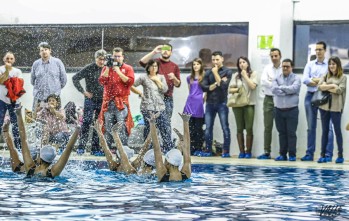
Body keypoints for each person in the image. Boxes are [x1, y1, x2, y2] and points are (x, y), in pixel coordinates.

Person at [15, 105, 80, 178]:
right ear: (51, 162)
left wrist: (19, 114)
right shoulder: (53, 172)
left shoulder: (30, 168)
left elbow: (23, 139)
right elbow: (69, 149)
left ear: (39, 159)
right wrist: (77, 129)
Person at [132, 59, 174, 153]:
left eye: (156, 66)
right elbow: (132, 85)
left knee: (165, 128)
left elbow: (165, 90)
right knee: (148, 130)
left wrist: (157, 81)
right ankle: (148, 151)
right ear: (148, 67)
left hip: (160, 107)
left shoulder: (161, 77)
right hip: (147, 107)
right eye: (152, 66)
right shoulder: (143, 77)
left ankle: (168, 150)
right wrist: (140, 93)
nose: (154, 68)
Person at [301, 41, 334, 162]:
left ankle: (327, 154)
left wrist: (315, 80)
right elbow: (304, 80)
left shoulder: (330, 65)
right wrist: (320, 80)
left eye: (320, 49)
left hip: (325, 96)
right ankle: (309, 154)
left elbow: (330, 81)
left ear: (325, 50)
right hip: (310, 96)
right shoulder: (309, 64)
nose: (318, 52)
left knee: (328, 127)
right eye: (317, 50)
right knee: (311, 127)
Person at [98, 47, 134, 149]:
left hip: (121, 103)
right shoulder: (106, 68)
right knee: (108, 126)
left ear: (123, 57)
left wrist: (118, 71)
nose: (117, 58)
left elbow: (130, 82)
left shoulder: (128, 68)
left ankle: (124, 149)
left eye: (119, 56)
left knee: (122, 125)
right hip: (108, 102)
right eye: (115, 56)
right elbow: (102, 81)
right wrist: (108, 68)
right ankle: (107, 149)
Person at [72, 49, 106, 156]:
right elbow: (75, 78)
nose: (101, 62)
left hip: (102, 100)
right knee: (86, 121)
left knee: (98, 124)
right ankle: (81, 146)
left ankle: (95, 148)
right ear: (96, 58)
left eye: (103, 59)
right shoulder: (89, 68)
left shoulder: (107, 69)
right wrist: (83, 92)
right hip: (90, 100)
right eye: (100, 59)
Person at [199, 51, 233, 157]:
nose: (215, 62)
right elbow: (203, 87)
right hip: (209, 103)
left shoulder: (227, 71)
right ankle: (208, 150)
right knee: (208, 127)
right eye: (213, 60)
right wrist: (216, 83)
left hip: (222, 103)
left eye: (217, 59)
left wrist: (215, 73)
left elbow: (223, 86)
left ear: (222, 59)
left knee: (225, 127)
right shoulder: (208, 72)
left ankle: (226, 151)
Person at [139, 44, 181, 124]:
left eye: (168, 50)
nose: (165, 51)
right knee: (150, 124)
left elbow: (178, 84)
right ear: (161, 51)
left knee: (166, 123)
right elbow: (142, 62)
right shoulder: (154, 63)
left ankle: (166, 137)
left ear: (171, 53)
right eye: (164, 49)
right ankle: (151, 137)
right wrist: (154, 52)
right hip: (152, 98)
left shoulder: (174, 66)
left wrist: (174, 78)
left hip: (167, 98)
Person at [317, 56, 347, 163]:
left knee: (337, 131)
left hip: (336, 108)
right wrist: (333, 86)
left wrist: (328, 86)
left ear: (338, 65)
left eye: (333, 64)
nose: (331, 66)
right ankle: (323, 155)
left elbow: (339, 90)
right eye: (330, 64)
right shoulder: (325, 76)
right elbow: (319, 87)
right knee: (324, 131)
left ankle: (340, 155)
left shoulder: (343, 77)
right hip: (324, 107)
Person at [272, 59, 301, 161]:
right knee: (282, 133)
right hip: (279, 110)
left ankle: (292, 155)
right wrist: (287, 90)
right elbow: (274, 90)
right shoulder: (276, 78)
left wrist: (282, 88)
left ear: (291, 67)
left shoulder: (297, 78)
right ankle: (283, 154)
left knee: (291, 133)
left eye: (287, 66)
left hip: (292, 110)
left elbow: (294, 89)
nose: (285, 68)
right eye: (283, 66)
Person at [229, 56, 258, 159]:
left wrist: (245, 76)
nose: (242, 64)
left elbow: (253, 86)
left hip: (249, 104)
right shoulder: (235, 75)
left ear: (248, 63)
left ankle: (248, 151)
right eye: (240, 62)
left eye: (244, 62)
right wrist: (238, 89)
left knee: (249, 128)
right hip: (238, 105)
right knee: (239, 128)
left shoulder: (253, 73)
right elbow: (230, 89)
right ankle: (241, 151)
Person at [149, 112, 191, 182]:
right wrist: (186, 121)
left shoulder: (162, 174)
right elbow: (186, 148)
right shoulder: (186, 173)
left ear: (168, 163)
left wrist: (152, 123)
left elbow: (156, 148)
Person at [257, 48, 282, 159]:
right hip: (268, 99)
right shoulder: (267, 68)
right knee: (267, 127)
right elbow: (263, 81)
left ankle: (283, 153)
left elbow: (284, 83)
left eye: (276, 56)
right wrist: (275, 83)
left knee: (281, 127)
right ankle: (267, 151)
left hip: (281, 99)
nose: (274, 58)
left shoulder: (284, 68)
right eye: (272, 56)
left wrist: (271, 81)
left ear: (280, 56)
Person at [30, 42, 67, 116]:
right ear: (39, 53)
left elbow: (64, 80)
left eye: (46, 49)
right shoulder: (36, 64)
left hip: (54, 98)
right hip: (39, 97)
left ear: (50, 50)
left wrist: (55, 90)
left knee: (56, 120)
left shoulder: (58, 62)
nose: (44, 52)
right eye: (42, 50)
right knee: (37, 120)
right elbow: (32, 80)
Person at [0, 52, 24, 151]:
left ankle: (18, 147)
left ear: (14, 60)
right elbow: (1, 81)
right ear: (4, 59)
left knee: (15, 124)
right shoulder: (0, 69)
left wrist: (10, 81)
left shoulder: (17, 71)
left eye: (11, 59)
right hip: (1, 100)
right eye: (7, 58)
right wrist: (6, 71)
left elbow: (19, 84)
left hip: (14, 101)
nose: (9, 60)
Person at [183, 58, 205, 155]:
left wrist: (202, 101)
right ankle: (190, 149)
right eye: (194, 64)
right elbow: (190, 91)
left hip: (199, 104)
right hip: (190, 104)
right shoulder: (189, 78)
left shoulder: (204, 77)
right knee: (190, 128)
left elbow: (206, 92)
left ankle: (198, 148)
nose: (195, 66)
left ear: (201, 65)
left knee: (198, 128)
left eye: (197, 64)